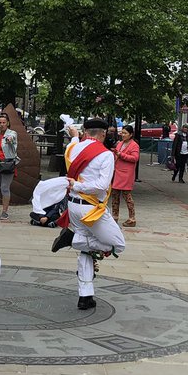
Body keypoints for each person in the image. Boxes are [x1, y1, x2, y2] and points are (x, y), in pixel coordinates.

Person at [50, 117, 126, 310]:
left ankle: (85, 296)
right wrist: (79, 185)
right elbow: (101, 186)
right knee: (117, 244)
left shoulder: (74, 148)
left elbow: (73, 141)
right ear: (102, 134)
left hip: (73, 206)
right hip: (91, 208)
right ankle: (72, 239)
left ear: (85, 132)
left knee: (87, 250)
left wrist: (74, 134)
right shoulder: (105, 155)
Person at [111, 125, 139, 227]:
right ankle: (114, 216)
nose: (123, 135)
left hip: (126, 173)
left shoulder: (134, 145)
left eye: (125, 133)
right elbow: (116, 155)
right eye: (122, 133)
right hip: (117, 172)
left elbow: (135, 158)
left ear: (131, 134)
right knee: (114, 195)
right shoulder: (120, 143)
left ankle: (132, 218)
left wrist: (120, 155)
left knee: (127, 196)